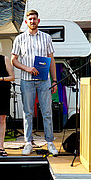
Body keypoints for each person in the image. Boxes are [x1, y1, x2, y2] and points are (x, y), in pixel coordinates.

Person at [11, 10, 59, 156]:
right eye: (30, 19)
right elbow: (13, 60)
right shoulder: (19, 39)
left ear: (39, 21)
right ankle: (28, 142)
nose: (32, 21)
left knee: (47, 112)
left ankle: (50, 142)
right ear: (26, 22)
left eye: (34, 19)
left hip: (44, 81)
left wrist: (55, 80)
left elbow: (51, 60)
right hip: (27, 81)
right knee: (28, 113)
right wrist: (27, 68)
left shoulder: (46, 38)